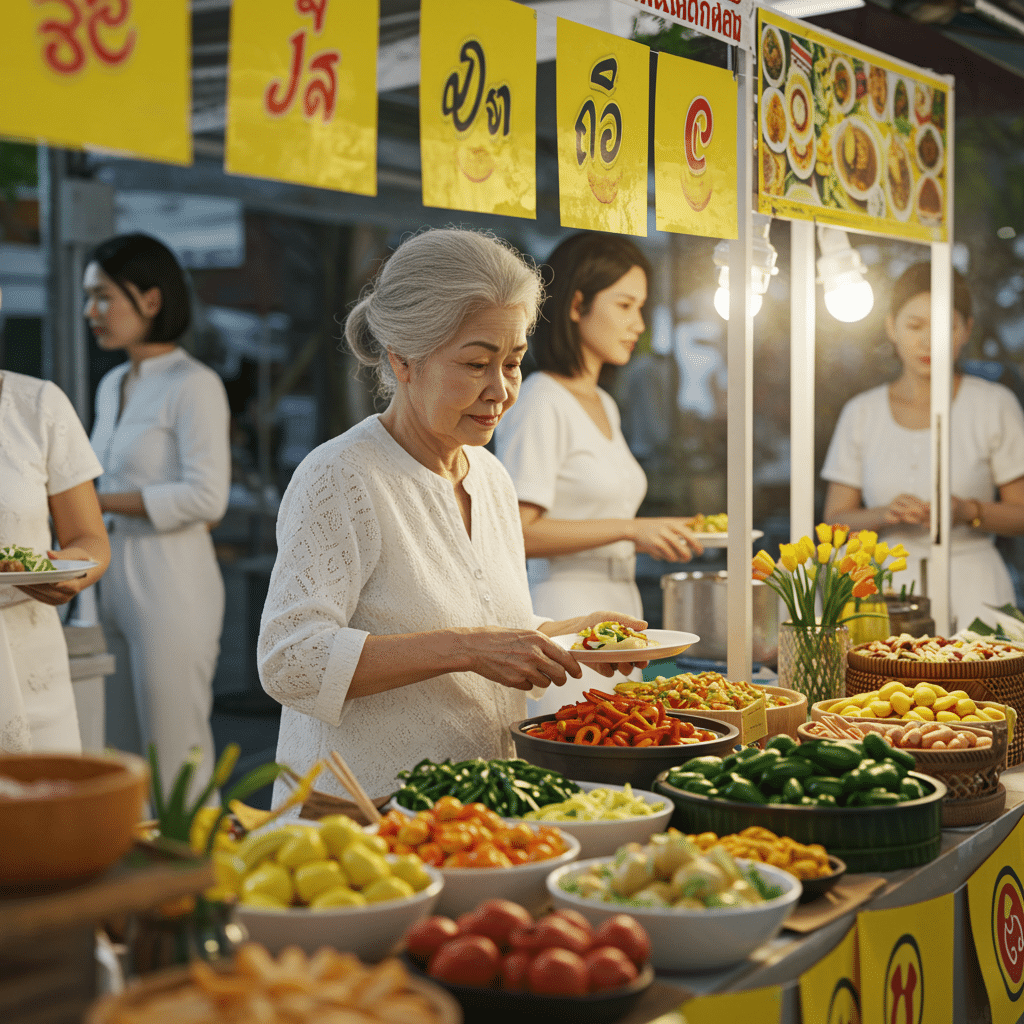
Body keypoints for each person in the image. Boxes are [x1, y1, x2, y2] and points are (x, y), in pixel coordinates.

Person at [257, 228, 647, 804]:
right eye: (475, 364)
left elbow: (485, 618)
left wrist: (566, 636)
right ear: (404, 361)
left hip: (473, 811)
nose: (501, 391)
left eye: (513, 363)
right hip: (359, 815)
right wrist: (466, 648)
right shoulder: (341, 475)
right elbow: (291, 661)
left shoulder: (488, 476)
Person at [494, 232, 702, 715]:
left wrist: (656, 532)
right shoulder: (542, 399)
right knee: (581, 751)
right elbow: (516, 534)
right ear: (576, 304)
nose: (639, 324)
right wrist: (633, 529)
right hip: (562, 612)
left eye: (642, 308)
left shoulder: (604, 401)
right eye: (626, 305)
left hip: (617, 603)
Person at [87, 234, 230, 797]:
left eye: (103, 297)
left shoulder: (196, 384)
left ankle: (197, 879)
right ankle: (133, 878)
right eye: (88, 298)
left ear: (150, 299)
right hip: (109, 573)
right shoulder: (111, 384)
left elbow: (206, 497)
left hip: (173, 581)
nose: (91, 312)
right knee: (117, 753)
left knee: (176, 752)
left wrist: (90, 501)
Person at [822, 262, 1024, 630]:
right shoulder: (862, 412)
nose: (928, 341)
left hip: (978, 586)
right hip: (888, 593)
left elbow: (1021, 514)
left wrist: (967, 509)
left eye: (945, 326)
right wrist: (885, 514)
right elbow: (834, 521)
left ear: (966, 331)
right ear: (891, 327)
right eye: (914, 326)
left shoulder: (994, 404)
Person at [0, 284, 110, 753]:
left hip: (32, 671)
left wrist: (70, 570)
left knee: (46, 816)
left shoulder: (37, 406)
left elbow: (89, 539)